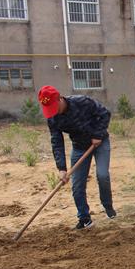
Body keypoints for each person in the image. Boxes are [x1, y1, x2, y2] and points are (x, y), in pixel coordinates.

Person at [38, 85, 116, 229]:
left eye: (54, 106)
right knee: (77, 185)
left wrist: (98, 135)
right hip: (80, 147)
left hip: (100, 143)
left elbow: (105, 114)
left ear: (60, 98)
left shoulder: (82, 102)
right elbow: (57, 142)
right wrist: (61, 168)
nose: (53, 111)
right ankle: (84, 219)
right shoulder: (53, 118)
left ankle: (108, 206)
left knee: (102, 175)